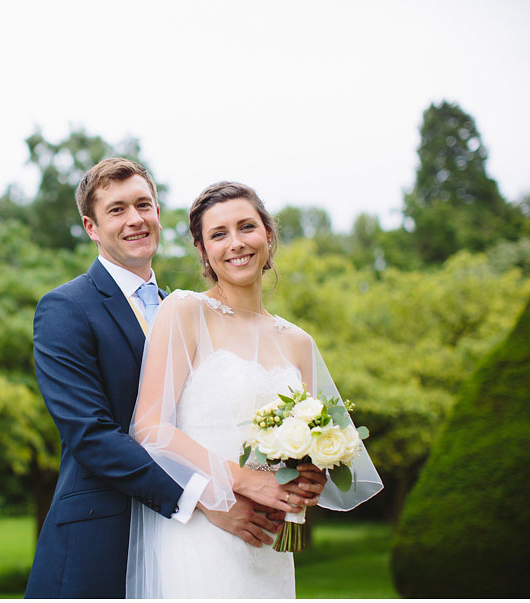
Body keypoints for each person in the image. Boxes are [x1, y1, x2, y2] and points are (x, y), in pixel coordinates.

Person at [25, 161, 314, 598]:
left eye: (144, 204)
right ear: (91, 226)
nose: (135, 219)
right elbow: (91, 435)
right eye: (117, 209)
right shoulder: (66, 308)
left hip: (221, 540)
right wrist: (209, 499)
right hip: (103, 538)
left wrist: (297, 468)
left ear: (159, 210)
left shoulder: (187, 309)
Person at [126, 181, 383, 598]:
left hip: (269, 540)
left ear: (268, 233)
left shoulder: (298, 341)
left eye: (246, 226)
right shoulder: (186, 311)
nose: (236, 243)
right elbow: (150, 427)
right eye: (218, 234)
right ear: (202, 249)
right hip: (202, 532)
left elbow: (329, 440)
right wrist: (244, 482)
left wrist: (311, 474)